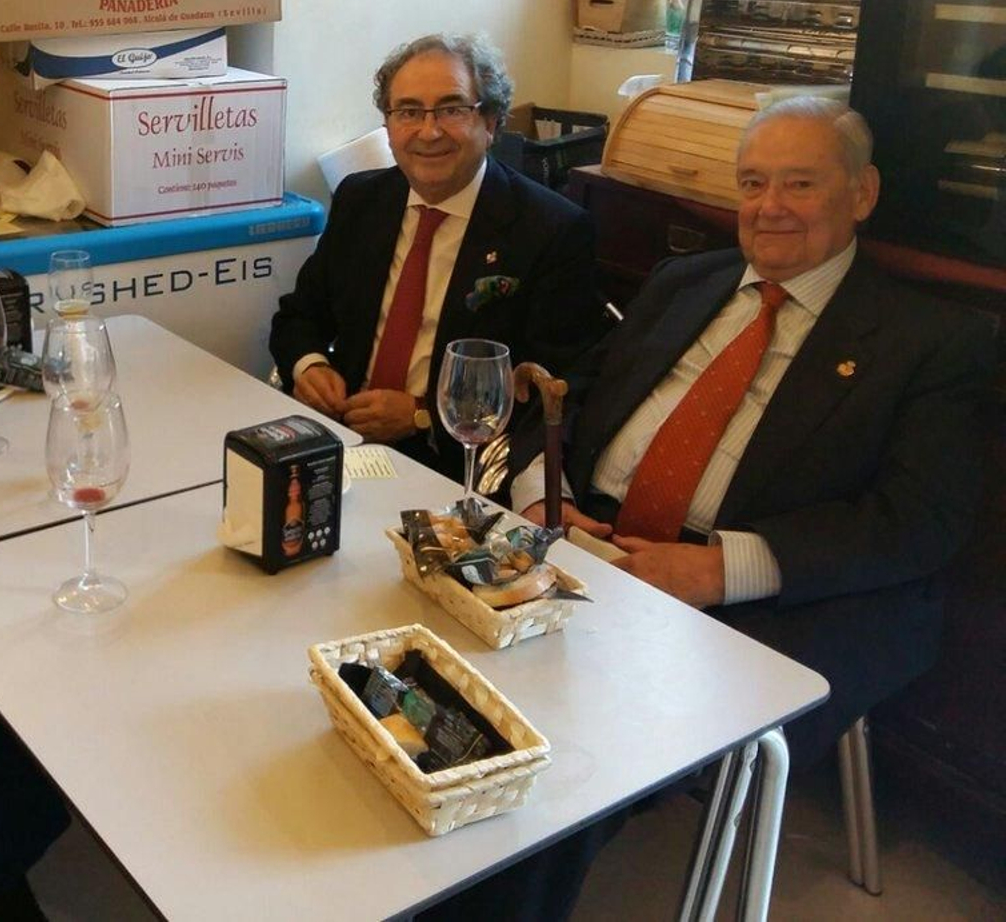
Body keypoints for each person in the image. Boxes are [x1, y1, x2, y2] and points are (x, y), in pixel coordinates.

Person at [421, 97, 993, 922]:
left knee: (556, 774)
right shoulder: (687, 281)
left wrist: (719, 568)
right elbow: (572, 396)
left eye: (800, 183)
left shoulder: (933, 339)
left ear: (862, 194)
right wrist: (551, 498)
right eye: (753, 182)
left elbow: (918, 521)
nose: (768, 207)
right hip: (591, 540)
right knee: (423, 676)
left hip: (753, 587)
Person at [270, 33, 603, 480]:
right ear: (388, 126)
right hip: (339, 440)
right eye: (408, 112)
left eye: (451, 109)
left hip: (452, 463)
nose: (428, 131)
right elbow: (298, 317)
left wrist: (423, 414)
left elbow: (552, 390)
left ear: (490, 122)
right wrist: (310, 364)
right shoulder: (361, 199)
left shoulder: (552, 231)